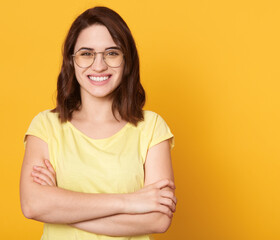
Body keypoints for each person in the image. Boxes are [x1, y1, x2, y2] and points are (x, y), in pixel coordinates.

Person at [20, 6, 177, 240]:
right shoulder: (45, 126)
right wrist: (131, 202)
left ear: (127, 61)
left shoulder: (152, 127)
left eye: (112, 53)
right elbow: (33, 205)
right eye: (86, 53)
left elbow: (158, 218)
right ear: (71, 61)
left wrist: (61, 206)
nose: (99, 65)